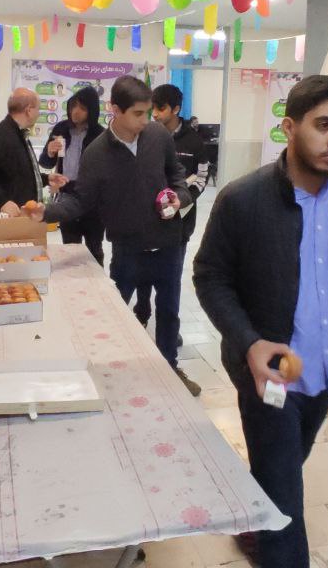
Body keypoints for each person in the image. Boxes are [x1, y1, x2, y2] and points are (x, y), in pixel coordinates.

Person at [193, 75, 328, 568]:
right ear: (289, 127)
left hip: (327, 371)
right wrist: (249, 342)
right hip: (269, 377)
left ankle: (257, 515)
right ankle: (270, 531)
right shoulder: (243, 200)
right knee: (286, 506)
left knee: (283, 471)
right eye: (323, 125)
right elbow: (210, 276)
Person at [27, 76, 201, 396]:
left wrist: (179, 198)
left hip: (168, 244)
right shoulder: (97, 154)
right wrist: (47, 212)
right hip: (127, 248)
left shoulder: (158, 136)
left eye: (148, 112)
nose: (146, 120)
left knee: (169, 312)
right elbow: (81, 200)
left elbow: (177, 176)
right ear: (115, 110)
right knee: (116, 313)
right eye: (138, 113)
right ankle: (112, 370)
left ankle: (170, 368)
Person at [133, 84, 208, 328]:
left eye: (161, 108)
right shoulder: (144, 135)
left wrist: (182, 201)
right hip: (146, 221)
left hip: (179, 224)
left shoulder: (194, 142)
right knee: (142, 273)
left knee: (170, 280)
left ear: (175, 109)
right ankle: (141, 313)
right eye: (152, 108)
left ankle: (168, 329)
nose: (155, 114)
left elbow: (202, 178)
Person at [39, 87, 106, 264]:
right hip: (66, 197)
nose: (76, 112)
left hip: (92, 202)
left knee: (94, 249)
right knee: (69, 249)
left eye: (82, 108)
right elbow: (45, 163)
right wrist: (50, 152)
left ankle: (97, 281)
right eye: (73, 106)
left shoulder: (100, 135)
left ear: (92, 110)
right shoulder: (61, 129)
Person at [0, 88, 53, 215]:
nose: (38, 114)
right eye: (38, 109)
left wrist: (47, 179)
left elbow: (18, 174)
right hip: (6, 220)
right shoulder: (0, 136)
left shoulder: (19, 135)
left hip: (21, 216)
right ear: (29, 110)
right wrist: (2, 202)